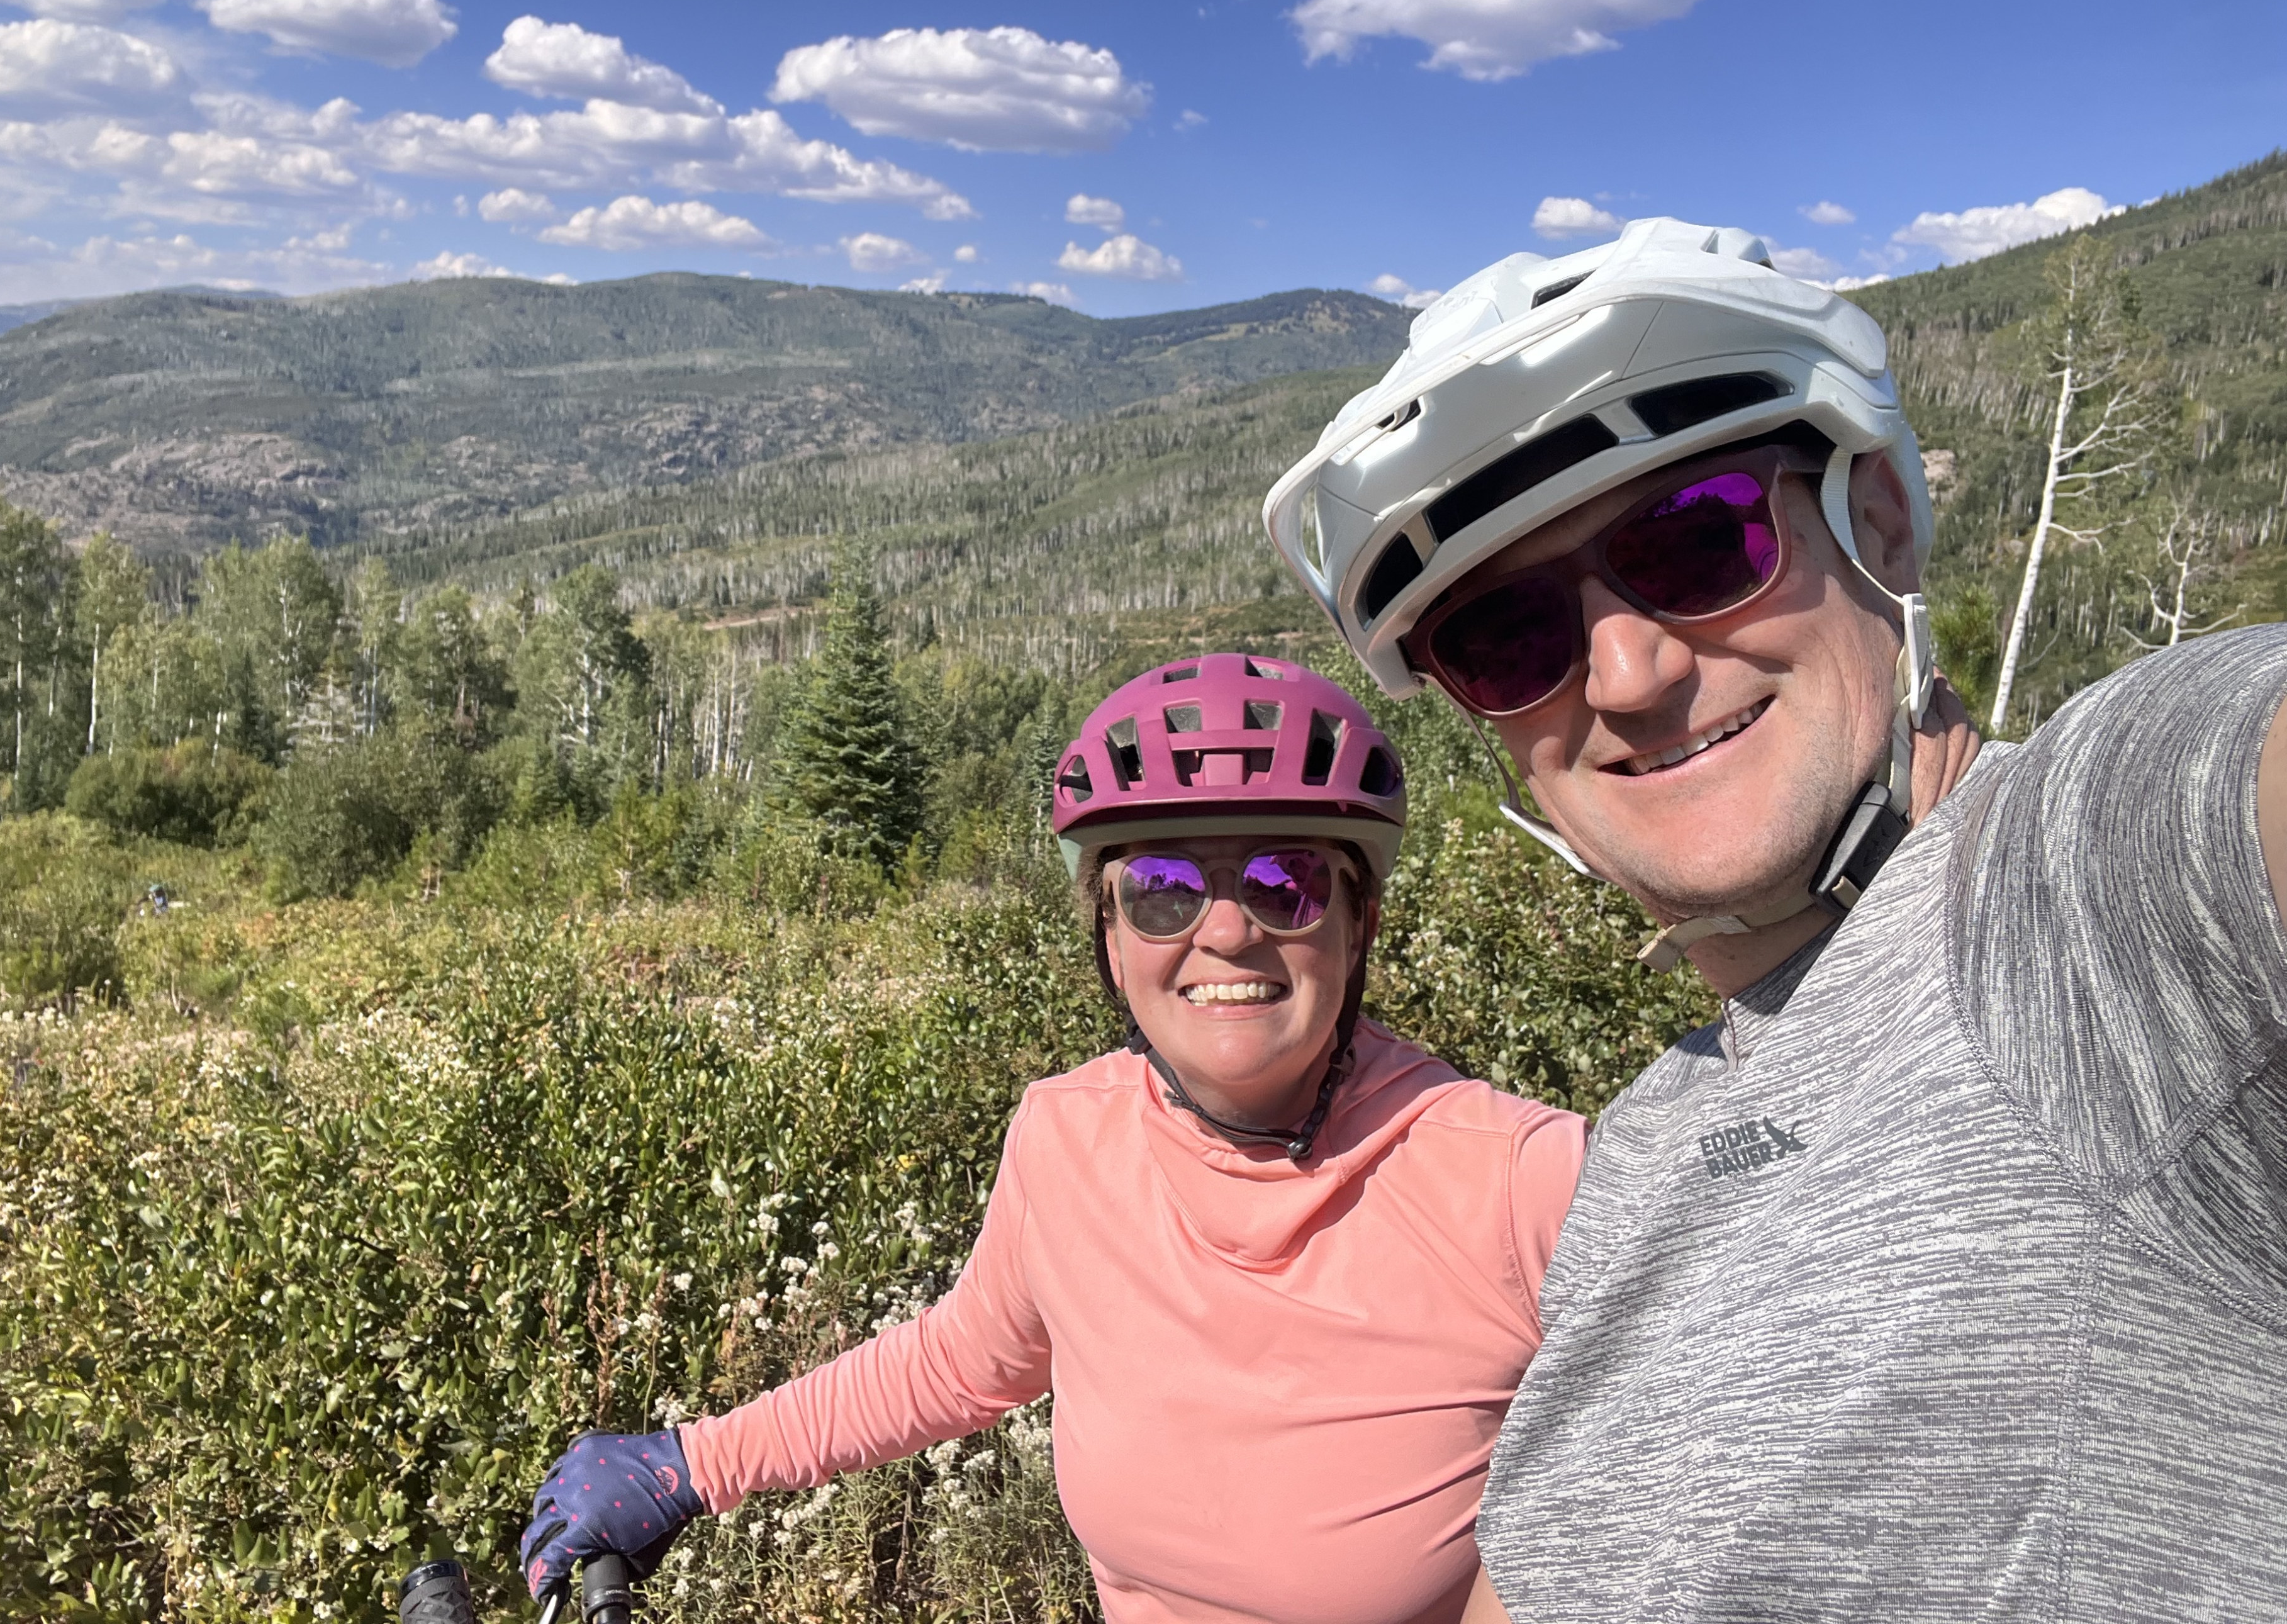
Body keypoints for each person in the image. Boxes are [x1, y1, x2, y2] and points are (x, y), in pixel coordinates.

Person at [1266, 217, 2287, 1621]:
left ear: (1879, 523)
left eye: (1699, 542)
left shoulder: (2075, 890)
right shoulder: (1641, 1152)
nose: (1625, 675)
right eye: (1507, 640)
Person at [518, 654, 1585, 1624]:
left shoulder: (1520, 1183)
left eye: (1287, 880)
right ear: (1111, 943)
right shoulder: (1071, 1137)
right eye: (1163, 890)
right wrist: (693, 1465)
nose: (1226, 929)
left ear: (1360, 925)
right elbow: (959, 1361)